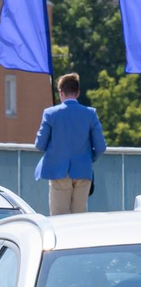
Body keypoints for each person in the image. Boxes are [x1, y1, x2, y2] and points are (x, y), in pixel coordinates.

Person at [34, 72, 107, 215]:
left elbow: (40, 144)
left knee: (59, 218)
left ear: (60, 92)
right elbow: (100, 147)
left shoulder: (50, 113)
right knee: (79, 218)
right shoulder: (90, 113)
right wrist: (88, 158)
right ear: (78, 93)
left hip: (58, 172)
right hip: (83, 171)